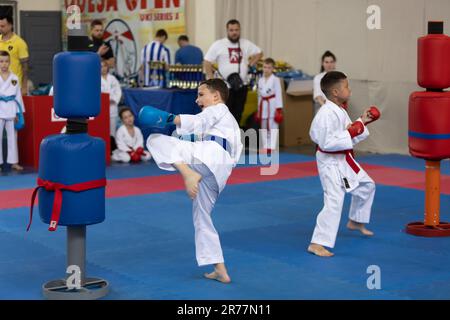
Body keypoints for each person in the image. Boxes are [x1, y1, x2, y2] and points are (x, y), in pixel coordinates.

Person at [139, 79, 243, 283]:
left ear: (216, 96)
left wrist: (169, 117)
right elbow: (191, 133)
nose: (197, 100)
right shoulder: (225, 124)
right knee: (201, 217)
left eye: (201, 94)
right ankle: (220, 268)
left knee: (154, 140)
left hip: (209, 157)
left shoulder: (219, 109)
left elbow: (197, 122)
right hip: (218, 171)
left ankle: (187, 173)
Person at [308, 71, 380, 257]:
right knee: (334, 200)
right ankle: (317, 243)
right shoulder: (325, 114)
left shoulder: (339, 110)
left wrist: (362, 121)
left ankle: (356, 220)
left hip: (343, 160)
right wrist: (352, 131)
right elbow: (327, 143)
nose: (350, 89)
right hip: (330, 163)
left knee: (367, 185)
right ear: (335, 92)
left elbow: (349, 132)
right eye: (346, 86)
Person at [204, 19, 263, 125]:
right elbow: (207, 61)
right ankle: (225, 137)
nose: (234, 32)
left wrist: (250, 64)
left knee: (238, 112)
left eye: (236, 30)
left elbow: (259, 53)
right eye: (231, 30)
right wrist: (211, 79)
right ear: (227, 31)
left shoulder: (246, 43)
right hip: (225, 87)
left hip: (242, 85)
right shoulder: (219, 44)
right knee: (225, 113)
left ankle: (236, 136)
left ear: (239, 30)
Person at [0, 50, 24, 171]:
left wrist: (18, 113)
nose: (4, 64)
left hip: (11, 109)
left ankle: (14, 162)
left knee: (13, 137)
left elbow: (18, 96)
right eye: (1, 61)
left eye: (6, 61)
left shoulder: (14, 77)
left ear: (9, 62)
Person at [256, 58, 283, 153]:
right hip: (263, 104)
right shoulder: (260, 80)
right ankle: (265, 146)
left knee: (273, 125)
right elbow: (259, 95)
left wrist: (279, 109)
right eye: (264, 67)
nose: (266, 69)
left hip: (272, 104)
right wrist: (258, 110)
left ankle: (272, 146)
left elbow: (279, 94)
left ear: (273, 69)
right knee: (263, 125)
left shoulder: (275, 80)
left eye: (269, 67)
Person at [0, 13, 29, 96]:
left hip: (13, 85)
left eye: (3, 26)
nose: (0, 28)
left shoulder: (20, 43)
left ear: (10, 26)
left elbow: (25, 68)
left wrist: (24, 87)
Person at [100, 59, 122, 138]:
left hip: (112, 106)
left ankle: (112, 147)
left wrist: (115, 100)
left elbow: (118, 91)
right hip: (102, 108)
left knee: (112, 131)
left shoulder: (112, 78)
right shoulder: (96, 79)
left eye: (105, 66)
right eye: (101, 66)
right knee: (102, 129)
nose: (103, 68)